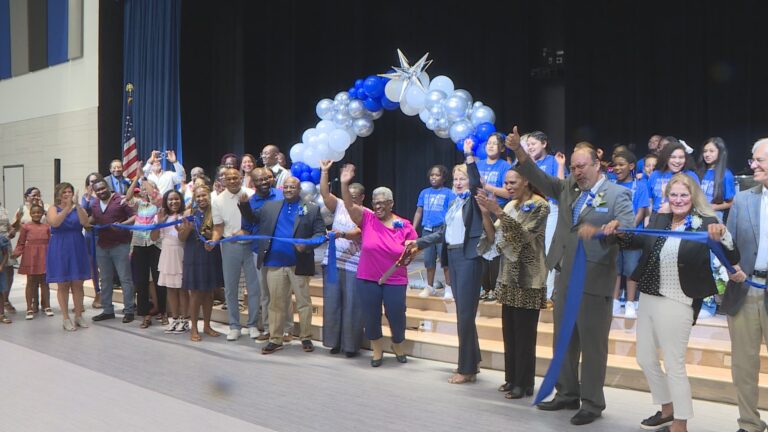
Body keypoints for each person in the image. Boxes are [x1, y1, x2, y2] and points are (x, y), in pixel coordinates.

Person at [505, 126, 634, 426]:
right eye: (573, 166)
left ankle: (591, 402)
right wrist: (519, 151)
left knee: (592, 345)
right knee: (563, 339)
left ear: (598, 164)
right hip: (564, 275)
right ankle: (566, 393)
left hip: (594, 279)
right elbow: (537, 177)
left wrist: (608, 230)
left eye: (582, 166)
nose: (577, 171)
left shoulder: (618, 194)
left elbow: (628, 230)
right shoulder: (567, 189)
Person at [607, 174, 739, 432]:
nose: (678, 200)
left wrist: (723, 235)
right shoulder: (659, 220)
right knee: (645, 358)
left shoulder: (707, 224)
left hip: (680, 300)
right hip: (649, 296)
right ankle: (667, 408)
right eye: (674, 195)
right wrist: (618, 231)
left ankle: (681, 423)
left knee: (674, 363)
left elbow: (733, 255)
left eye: (684, 195)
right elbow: (637, 241)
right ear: (667, 197)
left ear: (693, 197)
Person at [405, 139, 483, 382]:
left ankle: (466, 369)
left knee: (465, 315)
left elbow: (477, 183)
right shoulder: (454, 204)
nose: (458, 182)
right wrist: (419, 242)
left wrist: (469, 155)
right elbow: (443, 233)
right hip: (455, 257)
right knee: (463, 312)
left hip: (468, 259)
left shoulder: (474, 200)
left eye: (463, 178)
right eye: (456, 179)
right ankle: (473, 362)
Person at [475, 168, 549, 399]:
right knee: (510, 333)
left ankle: (524, 383)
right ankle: (512, 378)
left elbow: (522, 236)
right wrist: (486, 213)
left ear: (526, 181)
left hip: (529, 278)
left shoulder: (540, 206)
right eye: (505, 182)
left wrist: (497, 210)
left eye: (512, 182)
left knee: (525, 334)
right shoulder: (510, 206)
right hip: (508, 277)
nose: (507, 186)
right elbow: (492, 238)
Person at [238, 176, 325, 354]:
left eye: (292, 187)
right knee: (275, 303)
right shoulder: (270, 206)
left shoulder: (312, 209)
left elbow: (320, 234)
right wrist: (245, 205)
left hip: (299, 263)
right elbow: (252, 219)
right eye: (285, 187)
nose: (288, 189)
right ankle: (275, 339)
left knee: (303, 302)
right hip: (274, 262)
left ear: (299, 189)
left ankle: (306, 336)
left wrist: (307, 244)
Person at [341, 164, 417, 367]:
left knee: (396, 313)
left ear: (391, 203)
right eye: (375, 203)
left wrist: (412, 249)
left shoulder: (404, 224)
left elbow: (415, 247)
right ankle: (376, 348)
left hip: (395, 278)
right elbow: (348, 206)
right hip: (367, 277)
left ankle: (397, 344)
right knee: (371, 315)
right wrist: (344, 183)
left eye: (383, 203)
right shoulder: (367, 219)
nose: (378, 206)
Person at [722, 138, 768, 432]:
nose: (753, 165)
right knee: (743, 365)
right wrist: (729, 261)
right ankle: (749, 423)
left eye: (759, 160)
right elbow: (731, 246)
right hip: (747, 288)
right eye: (753, 160)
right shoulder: (742, 199)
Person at [319, 159, 365, 357]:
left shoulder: (366, 213)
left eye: (355, 196)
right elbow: (324, 193)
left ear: (362, 197)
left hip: (353, 266)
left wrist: (341, 235)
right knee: (332, 304)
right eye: (349, 195)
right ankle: (334, 342)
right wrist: (324, 171)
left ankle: (350, 346)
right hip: (332, 263)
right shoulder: (338, 206)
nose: (351, 199)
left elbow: (358, 232)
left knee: (352, 306)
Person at [210, 168, 260, 341]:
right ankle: (234, 325)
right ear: (223, 180)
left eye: (235, 177)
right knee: (231, 289)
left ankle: (253, 324)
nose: (232, 181)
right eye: (228, 178)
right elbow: (218, 227)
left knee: (254, 288)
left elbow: (257, 220)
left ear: (241, 178)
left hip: (252, 246)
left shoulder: (252, 194)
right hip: (230, 246)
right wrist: (214, 241)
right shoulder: (218, 200)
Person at [241, 167, 287, 340]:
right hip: (259, 251)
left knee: (284, 291)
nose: (263, 182)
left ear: (271, 179)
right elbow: (247, 226)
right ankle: (269, 328)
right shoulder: (250, 202)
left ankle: (287, 329)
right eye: (259, 180)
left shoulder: (282, 195)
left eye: (266, 178)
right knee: (265, 293)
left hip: (282, 249)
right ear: (253, 183)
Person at [525, 131, 567, 303]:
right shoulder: (526, 162)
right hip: (529, 208)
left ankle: (548, 292)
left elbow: (560, 187)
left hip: (550, 208)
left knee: (548, 249)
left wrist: (560, 165)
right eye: (528, 145)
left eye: (533, 143)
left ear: (544, 143)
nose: (530, 147)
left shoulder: (552, 161)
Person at [88, 178, 137, 323]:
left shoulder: (120, 200)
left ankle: (129, 310)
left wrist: (122, 225)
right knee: (105, 279)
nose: (101, 191)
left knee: (125, 279)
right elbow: (93, 219)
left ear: (108, 187)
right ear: (95, 192)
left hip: (120, 244)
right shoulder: (94, 204)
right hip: (102, 246)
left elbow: (135, 216)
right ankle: (108, 310)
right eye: (98, 190)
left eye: (103, 188)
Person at [179, 185, 223, 342]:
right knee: (196, 293)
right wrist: (188, 229)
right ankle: (194, 328)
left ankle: (207, 325)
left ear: (209, 196)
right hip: (194, 255)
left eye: (204, 195)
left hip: (210, 254)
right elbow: (181, 238)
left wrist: (213, 236)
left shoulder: (216, 212)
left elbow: (220, 232)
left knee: (209, 292)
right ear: (194, 198)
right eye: (198, 196)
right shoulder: (188, 213)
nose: (201, 199)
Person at [46, 182, 91, 330]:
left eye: (69, 191)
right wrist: (66, 208)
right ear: (59, 194)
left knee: (78, 283)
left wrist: (77, 206)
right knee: (63, 284)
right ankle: (65, 318)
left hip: (77, 244)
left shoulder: (78, 208)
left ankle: (78, 315)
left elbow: (86, 223)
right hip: (60, 246)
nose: (67, 194)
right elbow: (55, 223)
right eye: (64, 192)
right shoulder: (53, 208)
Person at [610, 150, 650, 318]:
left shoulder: (639, 186)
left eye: (621, 164)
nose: (617, 168)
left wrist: (628, 229)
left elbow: (641, 211)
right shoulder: (610, 185)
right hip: (613, 234)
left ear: (631, 166)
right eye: (615, 165)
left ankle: (630, 302)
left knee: (631, 269)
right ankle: (614, 301)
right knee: (615, 269)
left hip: (633, 235)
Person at [412, 164, 453, 299]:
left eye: (437, 175)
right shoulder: (424, 192)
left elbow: (452, 212)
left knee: (444, 260)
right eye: (432, 175)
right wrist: (413, 228)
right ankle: (429, 287)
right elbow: (419, 211)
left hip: (442, 230)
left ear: (443, 177)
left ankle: (448, 287)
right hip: (427, 230)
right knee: (429, 260)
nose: (434, 177)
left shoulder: (448, 193)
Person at [151, 190, 188, 334]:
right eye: (170, 199)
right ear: (166, 201)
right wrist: (158, 224)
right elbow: (153, 238)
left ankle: (184, 320)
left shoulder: (185, 215)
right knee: (171, 289)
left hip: (180, 253)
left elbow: (183, 238)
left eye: (176, 199)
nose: (173, 202)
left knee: (182, 290)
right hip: (166, 254)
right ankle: (175, 319)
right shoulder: (162, 217)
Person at [12, 204, 52, 320]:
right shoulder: (25, 227)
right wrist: (17, 252)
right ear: (30, 214)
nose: (36, 214)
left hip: (44, 254)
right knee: (30, 281)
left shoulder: (47, 227)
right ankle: (29, 307)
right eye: (34, 212)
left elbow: (51, 242)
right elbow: (21, 242)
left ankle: (47, 305)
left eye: (38, 212)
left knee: (45, 281)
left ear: (42, 214)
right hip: (31, 255)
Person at [648, 140, 700, 214]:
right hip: (656, 217)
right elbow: (649, 201)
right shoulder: (655, 175)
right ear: (666, 158)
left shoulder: (691, 176)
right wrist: (648, 222)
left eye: (681, 157)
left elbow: (698, 202)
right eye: (673, 157)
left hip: (683, 217)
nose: (677, 161)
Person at [697, 137, 736, 220]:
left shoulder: (726, 174)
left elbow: (731, 202)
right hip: (695, 216)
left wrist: (714, 207)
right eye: (705, 151)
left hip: (714, 218)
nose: (707, 154)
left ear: (720, 153)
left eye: (711, 151)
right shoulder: (698, 172)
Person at [0, 235, 9, 323]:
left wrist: (2, 265)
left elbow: (6, 254)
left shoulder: (1, 238)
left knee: (0, 292)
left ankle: (1, 314)